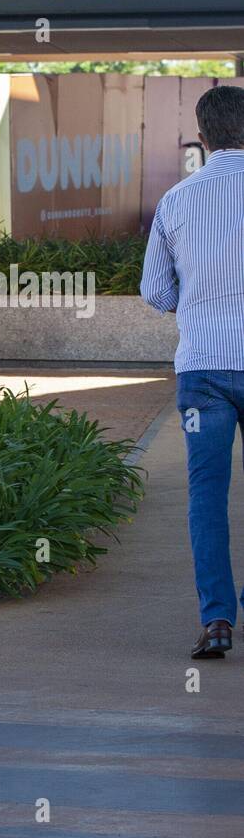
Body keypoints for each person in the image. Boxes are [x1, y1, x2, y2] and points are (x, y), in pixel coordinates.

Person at [140, 84, 244, 660]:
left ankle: (218, 620)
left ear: (202, 138)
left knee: (207, 494)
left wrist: (199, 300)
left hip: (203, 368)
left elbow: (155, 292)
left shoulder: (178, 201)